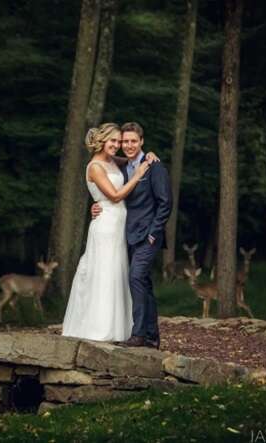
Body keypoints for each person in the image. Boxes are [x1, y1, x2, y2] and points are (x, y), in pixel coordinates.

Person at [61, 123, 153, 342]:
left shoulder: (112, 161)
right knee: (103, 272)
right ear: (102, 141)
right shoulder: (94, 167)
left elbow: (134, 159)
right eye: (113, 141)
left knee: (118, 272)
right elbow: (114, 196)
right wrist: (138, 174)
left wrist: (147, 155)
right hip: (105, 225)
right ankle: (99, 329)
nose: (117, 145)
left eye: (119, 141)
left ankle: (120, 329)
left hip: (119, 224)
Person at [91, 122, 172, 349]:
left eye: (133, 141)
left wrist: (154, 234)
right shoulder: (124, 166)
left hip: (148, 235)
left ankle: (138, 335)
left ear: (142, 142)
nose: (128, 145)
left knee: (135, 277)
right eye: (125, 141)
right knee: (143, 283)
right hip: (126, 234)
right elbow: (102, 172)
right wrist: (96, 205)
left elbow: (165, 203)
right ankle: (152, 337)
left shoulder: (154, 166)